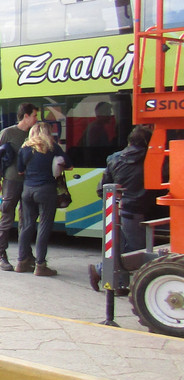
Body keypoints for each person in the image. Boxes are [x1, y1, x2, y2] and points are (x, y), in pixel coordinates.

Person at [88, 125, 162, 291]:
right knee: (138, 252)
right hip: (135, 211)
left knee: (118, 248)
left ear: (129, 141)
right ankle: (101, 271)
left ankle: (118, 283)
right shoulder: (151, 159)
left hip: (115, 209)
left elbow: (102, 189)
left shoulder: (114, 158)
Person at [14, 121, 72, 277]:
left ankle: (21, 262)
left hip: (27, 190)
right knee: (44, 226)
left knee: (27, 226)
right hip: (46, 190)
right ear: (48, 133)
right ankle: (40, 265)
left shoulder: (25, 148)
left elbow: (20, 171)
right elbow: (69, 165)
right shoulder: (53, 147)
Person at [0, 102, 38, 271]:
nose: (36, 119)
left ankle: (24, 254)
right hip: (11, 180)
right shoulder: (9, 133)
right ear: (26, 116)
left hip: (28, 181)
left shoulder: (34, 134)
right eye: (34, 115)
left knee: (26, 219)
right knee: (7, 216)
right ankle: (0, 254)